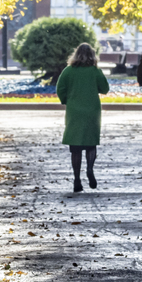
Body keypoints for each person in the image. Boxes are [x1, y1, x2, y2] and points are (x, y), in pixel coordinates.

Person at [57, 43, 110, 192]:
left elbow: (60, 88)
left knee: (75, 147)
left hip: (74, 112)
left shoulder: (68, 71)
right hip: (92, 111)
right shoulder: (95, 71)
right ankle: (90, 169)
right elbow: (105, 89)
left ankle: (76, 180)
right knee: (90, 143)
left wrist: (66, 100)